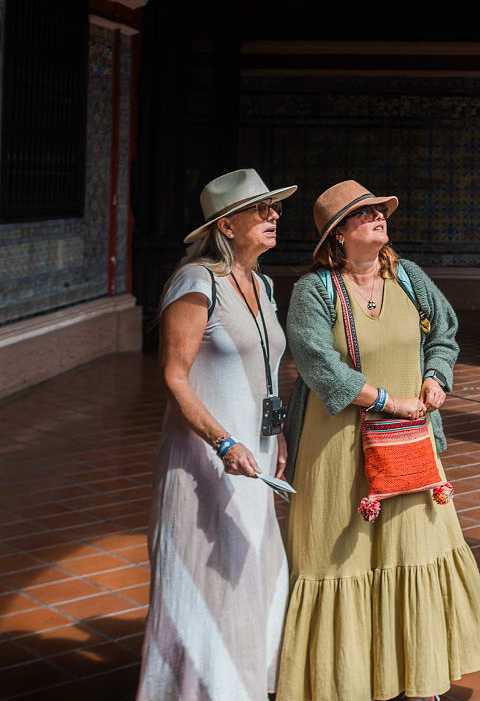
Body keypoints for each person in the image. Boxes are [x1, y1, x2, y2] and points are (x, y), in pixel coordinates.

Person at [277, 180, 480, 700]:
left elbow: (444, 332)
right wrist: (382, 399)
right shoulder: (316, 290)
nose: (379, 218)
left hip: (407, 441)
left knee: (414, 547)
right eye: (364, 214)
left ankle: (419, 679)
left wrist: (436, 377)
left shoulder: (409, 277)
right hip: (336, 446)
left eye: (379, 211)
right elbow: (316, 363)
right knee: (341, 555)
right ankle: (343, 682)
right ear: (338, 236)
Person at [136, 169, 297, 701]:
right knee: (209, 578)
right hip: (208, 460)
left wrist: (280, 439)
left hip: (258, 455)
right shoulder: (195, 281)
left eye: (274, 208)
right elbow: (174, 377)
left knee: (251, 576)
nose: (274, 217)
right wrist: (223, 442)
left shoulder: (263, 283)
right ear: (227, 225)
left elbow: (268, 372)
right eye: (262, 210)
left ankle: (245, 686)